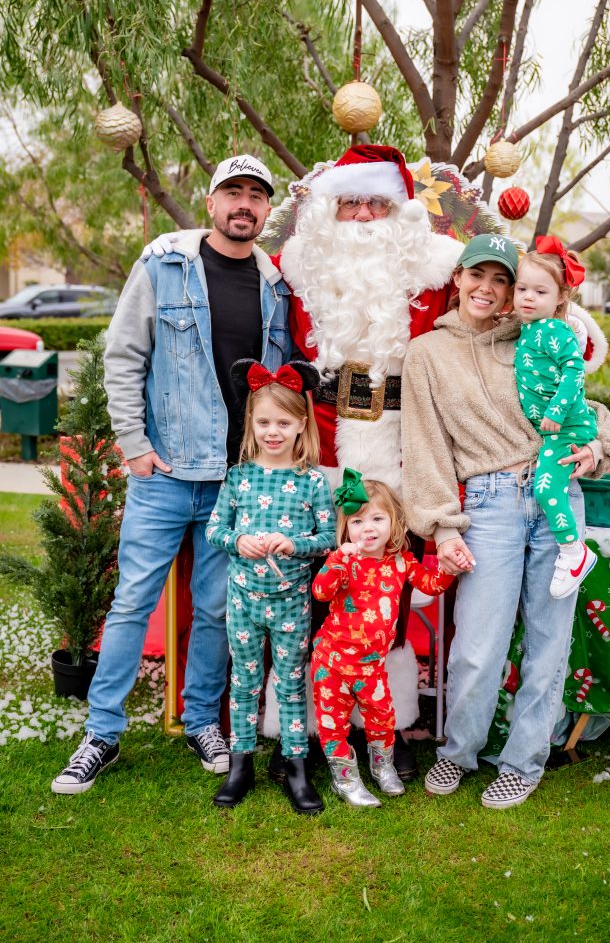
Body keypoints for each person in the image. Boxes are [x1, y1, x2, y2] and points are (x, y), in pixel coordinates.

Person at [141, 145, 465, 781]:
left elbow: (504, 303)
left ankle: (387, 721)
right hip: (314, 445)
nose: (364, 215)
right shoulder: (298, 268)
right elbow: (220, 255)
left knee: (383, 592)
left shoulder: (436, 269)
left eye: (377, 202)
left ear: (399, 211)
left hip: (398, 447)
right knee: (307, 589)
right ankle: (314, 722)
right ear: (330, 210)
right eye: (351, 202)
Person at [51, 154, 292, 795]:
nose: (244, 205)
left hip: (235, 481)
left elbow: (279, 384)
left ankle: (199, 721)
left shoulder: (276, 287)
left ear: (267, 212)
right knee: (132, 603)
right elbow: (125, 354)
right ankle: (101, 733)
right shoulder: (165, 264)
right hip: (165, 472)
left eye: (255, 196)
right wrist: (133, 444)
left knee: (214, 609)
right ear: (211, 203)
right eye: (232, 193)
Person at [401, 232, 610, 810]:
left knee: (548, 643)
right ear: (458, 279)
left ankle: (524, 762)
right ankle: (458, 753)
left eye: (502, 280)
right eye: (479, 275)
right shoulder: (427, 354)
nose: (488, 288)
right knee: (478, 644)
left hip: (557, 499)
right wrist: (443, 529)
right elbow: (425, 448)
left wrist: (598, 450)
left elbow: (588, 410)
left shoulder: (533, 336)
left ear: (514, 291)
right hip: (490, 504)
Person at [206, 360, 336, 814]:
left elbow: (328, 540)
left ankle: (297, 766)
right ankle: (239, 763)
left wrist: (293, 543)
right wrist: (239, 540)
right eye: (264, 422)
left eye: (283, 422)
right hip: (243, 601)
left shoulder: (312, 480)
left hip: (291, 605)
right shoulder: (239, 477)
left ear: (302, 423)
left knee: (291, 682)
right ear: (252, 424)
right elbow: (215, 530)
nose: (273, 432)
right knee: (244, 681)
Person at [311, 469, 454, 807]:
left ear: (394, 523)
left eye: (377, 518)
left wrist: (449, 569)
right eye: (357, 522)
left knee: (382, 718)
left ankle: (382, 766)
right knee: (333, 724)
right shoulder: (345, 562)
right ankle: (344, 778)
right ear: (346, 528)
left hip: (371, 667)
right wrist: (337, 559)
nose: (368, 528)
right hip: (332, 663)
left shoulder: (401, 562)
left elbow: (431, 585)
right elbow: (320, 592)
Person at [513, 237, 598, 598]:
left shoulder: (556, 329)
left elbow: (575, 370)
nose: (529, 297)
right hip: (553, 431)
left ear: (561, 297)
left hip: (565, 429)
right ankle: (571, 550)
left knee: (546, 488)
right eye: (522, 289)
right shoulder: (528, 330)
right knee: (547, 486)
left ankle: (574, 551)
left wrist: (556, 412)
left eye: (540, 291)